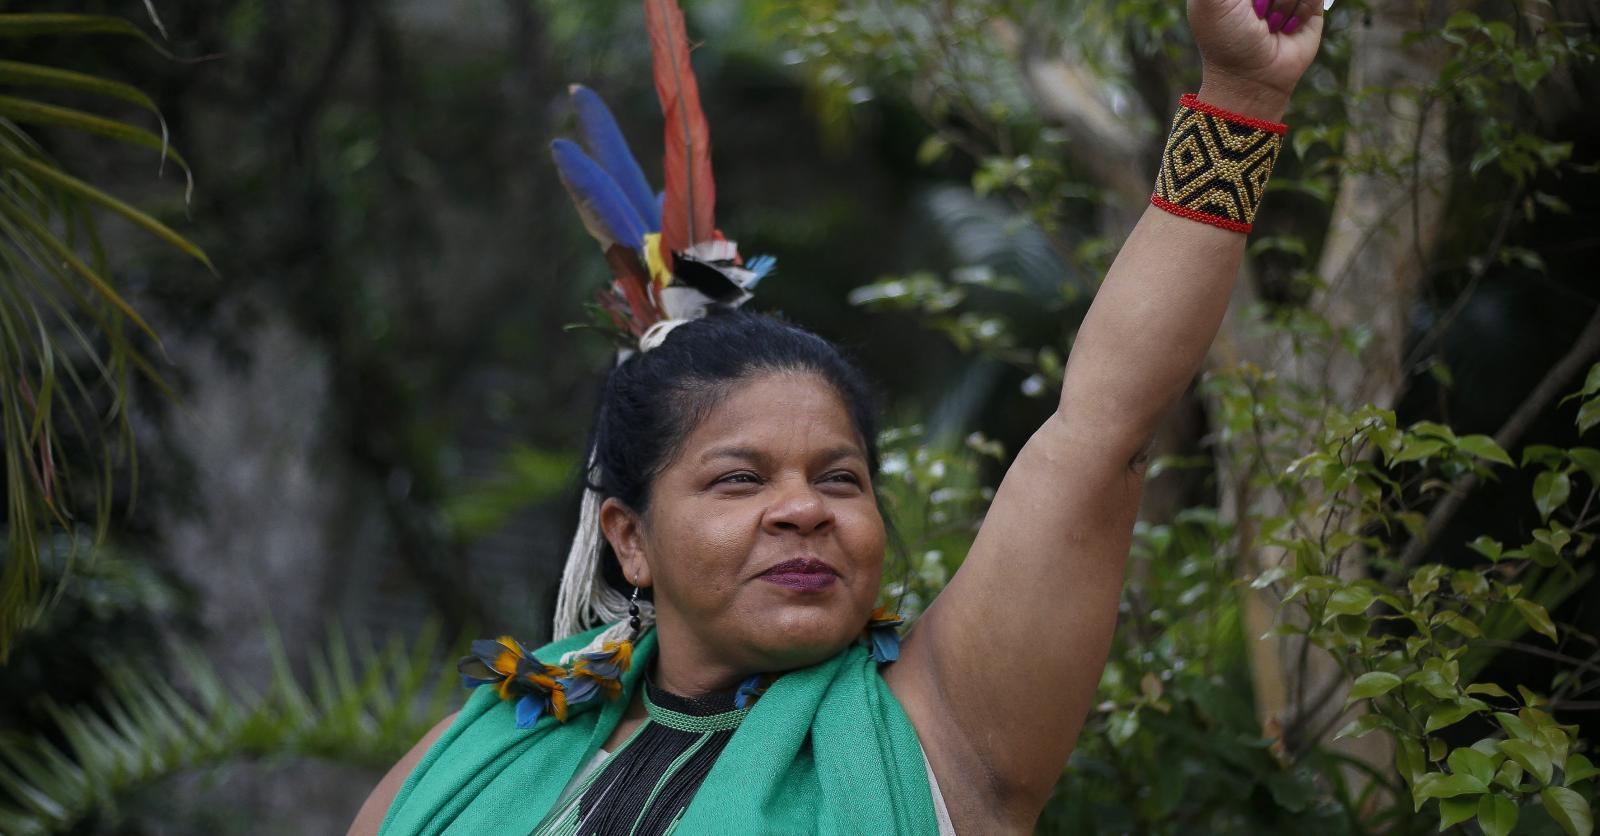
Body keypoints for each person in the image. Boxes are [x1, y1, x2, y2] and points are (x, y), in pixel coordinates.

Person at [350, 0, 1325, 831]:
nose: (803, 508)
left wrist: (1240, 102)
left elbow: (1104, 425)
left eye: (839, 477)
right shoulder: (483, 744)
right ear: (629, 537)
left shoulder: (947, 722)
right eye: (740, 476)